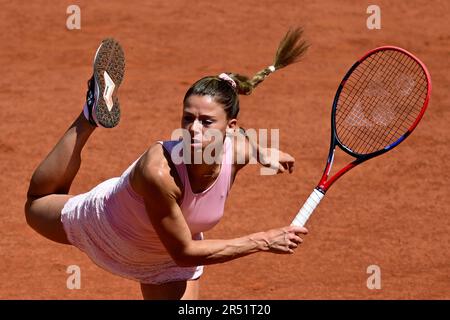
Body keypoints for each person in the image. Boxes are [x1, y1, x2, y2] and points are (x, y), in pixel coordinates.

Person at [25, 28, 310, 300]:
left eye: (207, 121)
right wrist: (263, 240)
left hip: (164, 258)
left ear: (230, 127)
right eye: (188, 118)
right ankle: (89, 116)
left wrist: (264, 152)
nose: (194, 130)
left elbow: (244, 138)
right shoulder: (158, 171)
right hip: (110, 230)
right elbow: (184, 252)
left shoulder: (238, 148)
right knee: (37, 204)